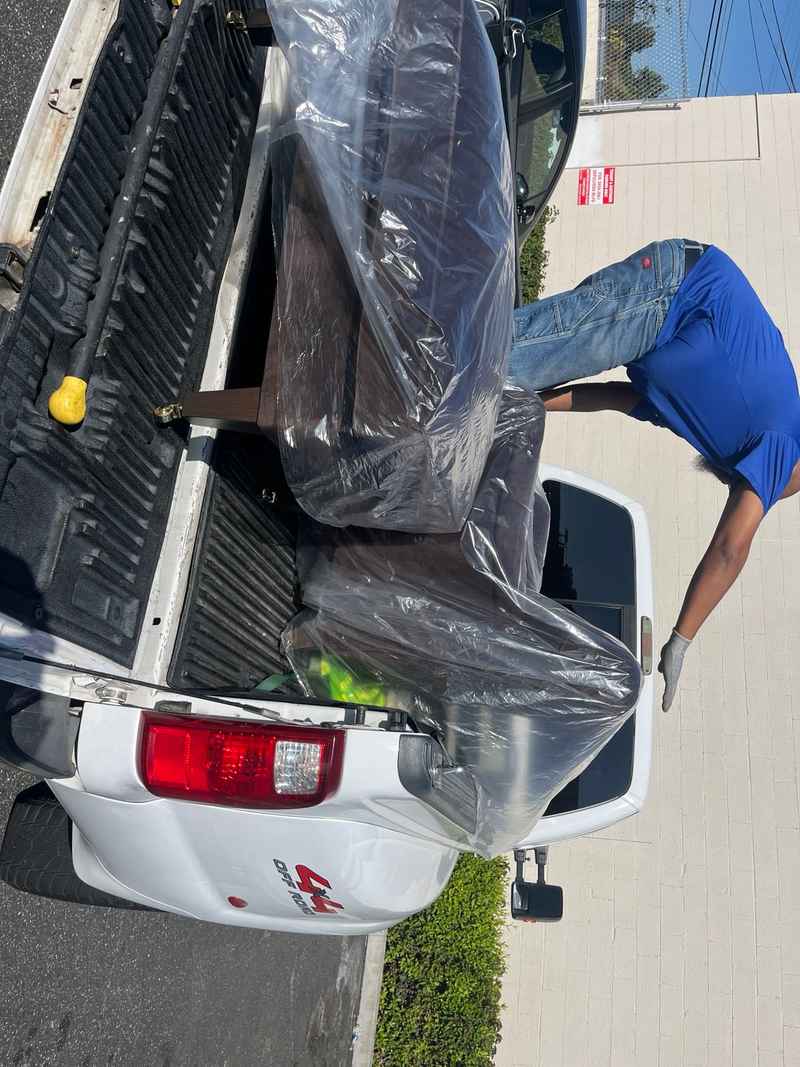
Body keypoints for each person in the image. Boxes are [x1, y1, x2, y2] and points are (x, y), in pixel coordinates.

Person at [507, 238, 800, 711]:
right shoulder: (784, 443)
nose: (745, 492)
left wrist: (528, 405)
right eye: (761, 491)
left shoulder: (720, 422)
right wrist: (682, 638)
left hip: (660, 305)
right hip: (671, 294)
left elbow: (615, 398)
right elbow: (731, 548)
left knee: (506, 374)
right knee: (502, 359)